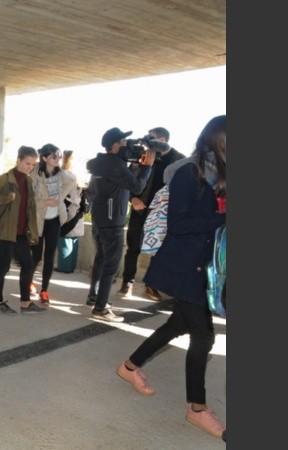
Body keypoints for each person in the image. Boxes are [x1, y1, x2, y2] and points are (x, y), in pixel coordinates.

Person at [116, 115, 226, 441]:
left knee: (178, 325)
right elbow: (179, 224)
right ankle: (197, 408)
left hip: (204, 266)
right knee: (203, 335)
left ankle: (130, 367)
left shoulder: (223, 176)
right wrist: (222, 216)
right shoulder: (188, 175)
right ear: (217, 141)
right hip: (183, 266)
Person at [84, 127, 155, 322]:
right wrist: (147, 166)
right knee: (111, 266)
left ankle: (95, 297)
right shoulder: (114, 165)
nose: (126, 145)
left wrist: (133, 167)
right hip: (112, 220)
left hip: (100, 219)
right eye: (123, 142)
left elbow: (121, 182)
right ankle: (100, 309)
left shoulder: (103, 163)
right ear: (114, 145)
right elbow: (138, 187)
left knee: (101, 260)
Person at [117, 127, 186, 300]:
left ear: (163, 140)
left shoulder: (180, 160)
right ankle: (128, 283)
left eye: (152, 137)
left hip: (162, 214)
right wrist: (133, 199)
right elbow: (128, 180)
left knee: (160, 251)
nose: (147, 140)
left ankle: (152, 285)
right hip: (140, 209)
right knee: (133, 247)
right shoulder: (143, 155)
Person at [0, 146, 46, 316]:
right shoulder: (4, 180)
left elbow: (29, 208)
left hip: (21, 232)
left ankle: (25, 303)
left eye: (33, 164)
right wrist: (5, 198)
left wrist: (32, 229)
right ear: (18, 160)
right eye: (27, 163)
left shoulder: (28, 181)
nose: (30, 167)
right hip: (4, 232)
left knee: (28, 265)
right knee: (2, 268)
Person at [29, 144, 79, 307]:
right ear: (44, 158)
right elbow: (28, 200)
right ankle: (29, 282)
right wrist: (44, 201)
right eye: (53, 157)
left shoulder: (63, 176)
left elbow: (72, 183)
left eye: (58, 156)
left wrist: (62, 198)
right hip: (38, 220)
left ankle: (44, 290)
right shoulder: (34, 175)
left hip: (55, 220)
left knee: (50, 255)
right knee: (36, 256)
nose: (57, 159)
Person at [55, 150, 85, 273]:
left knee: (64, 238)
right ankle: (71, 266)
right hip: (77, 212)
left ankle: (64, 267)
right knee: (74, 240)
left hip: (67, 211)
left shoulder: (65, 175)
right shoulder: (79, 175)